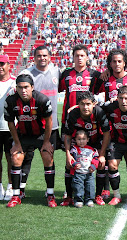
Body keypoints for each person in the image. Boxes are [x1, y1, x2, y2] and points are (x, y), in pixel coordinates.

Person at [59, 44, 106, 205]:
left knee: (97, 160)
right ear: (72, 57)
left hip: (92, 126)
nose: (79, 58)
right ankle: (70, 195)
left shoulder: (95, 75)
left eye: (82, 55)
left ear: (87, 57)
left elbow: (108, 86)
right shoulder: (65, 74)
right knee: (71, 160)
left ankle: (97, 194)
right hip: (72, 122)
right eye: (76, 55)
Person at [4, 74, 56, 208]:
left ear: (32, 87)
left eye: (26, 87)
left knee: (47, 156)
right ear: (16, 88)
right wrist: (17, 143)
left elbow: (49, 121)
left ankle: (50, 194)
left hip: (40, 134)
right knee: (16, 158)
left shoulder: (42, 99)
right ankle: (16, 195)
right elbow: (10, 123)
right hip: (23, 135)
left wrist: (46, 142)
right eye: (20, 88)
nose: (23, 90)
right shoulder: (11, 101)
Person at [19, 45, 61, 199]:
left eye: (45, 55)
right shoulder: (27, 73)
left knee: (48, 157)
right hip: (30, 125)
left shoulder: (56, 71)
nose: (42, 58)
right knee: (26, 157)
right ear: (34, 57)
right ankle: (21, 190)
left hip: (51, 125)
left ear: (49, 57)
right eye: (39, 56)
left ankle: (49, 191)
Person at [64, 91, 111, 206]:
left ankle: (98, 195)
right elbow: (68, 135)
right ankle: (69, 196)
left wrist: (102, 154)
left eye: (88, 104)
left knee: (100, 165)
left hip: (96, 141)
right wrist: (68, 154)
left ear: (93, 104)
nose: (85, 107)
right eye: (82, 104)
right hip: (79, 142)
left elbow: (106, 134)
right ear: (78, 105)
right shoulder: (74, 114)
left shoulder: (99, 112)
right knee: (70, 165)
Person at [70, 130, 99, 208]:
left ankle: (89, 200)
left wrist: (93, 166)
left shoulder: (91, 150)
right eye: (79, 139)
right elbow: (71, 158)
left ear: (87, 140)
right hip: (78, 172)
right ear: (75, 140)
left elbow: (96, 159)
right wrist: (75, 164)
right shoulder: (74, 149)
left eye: (83, 139)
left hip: (89, 172)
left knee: (90, 186)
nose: (81, 141)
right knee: (78, 187)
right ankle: (78, 200)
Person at [0, 55, 16, 201]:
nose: (0, 66)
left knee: (10, 158)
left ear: (8, 65)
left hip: (10, 128)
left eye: (2, 63)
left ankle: (11, 186)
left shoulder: (15, 82)